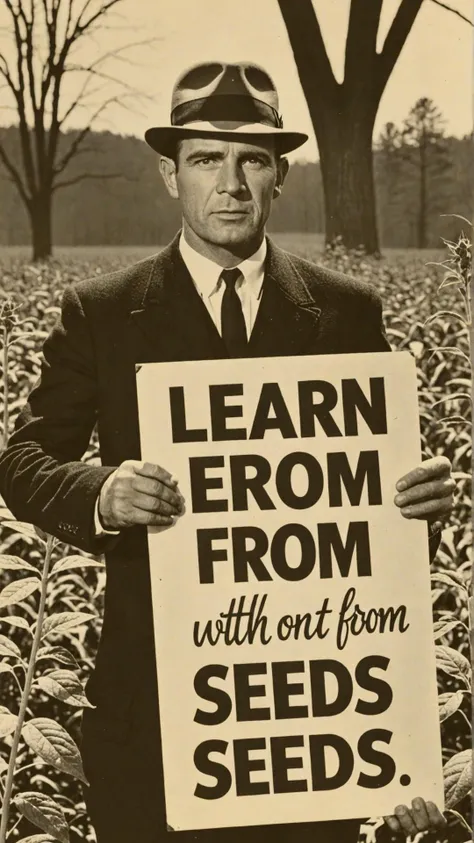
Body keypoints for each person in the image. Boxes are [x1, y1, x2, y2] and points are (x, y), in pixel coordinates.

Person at [0, 62, 454, 843]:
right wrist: (102, 493)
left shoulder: (346, 311)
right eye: (208, 158)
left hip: (318, 727)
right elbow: (26, 459)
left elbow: (373, 518)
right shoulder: (104, 313)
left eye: (253, 160)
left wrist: (418, 506)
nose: (232, 182)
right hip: (157, 720)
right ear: (171, 173)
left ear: (279, 176)